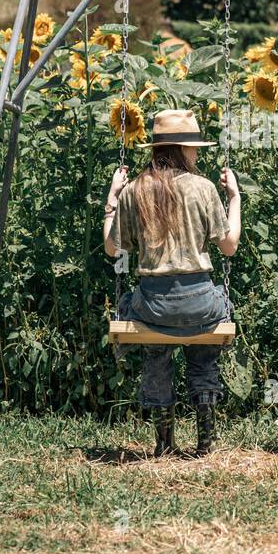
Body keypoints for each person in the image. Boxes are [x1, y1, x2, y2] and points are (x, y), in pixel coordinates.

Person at [104, 108, 241, 456]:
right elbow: (229, 247)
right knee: (207, 342)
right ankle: (205, 440)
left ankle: (164, 443)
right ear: (181, 149)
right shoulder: (204, 188)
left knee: (154, 349)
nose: (197, 154)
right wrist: (235, 199)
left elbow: (112, 247)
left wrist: (112, 200)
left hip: (154, 304)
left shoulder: (135, 190)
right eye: (194, 147)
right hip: (198, 301)